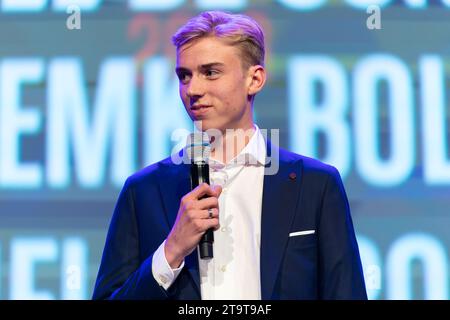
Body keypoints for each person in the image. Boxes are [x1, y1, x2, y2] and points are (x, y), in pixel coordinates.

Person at [92, 10, 367, 300]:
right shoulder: (144, 190)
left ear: (255, 79)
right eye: (184, 76)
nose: (192, 90)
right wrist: (171, 250)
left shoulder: (315, 185)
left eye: (210, 72)